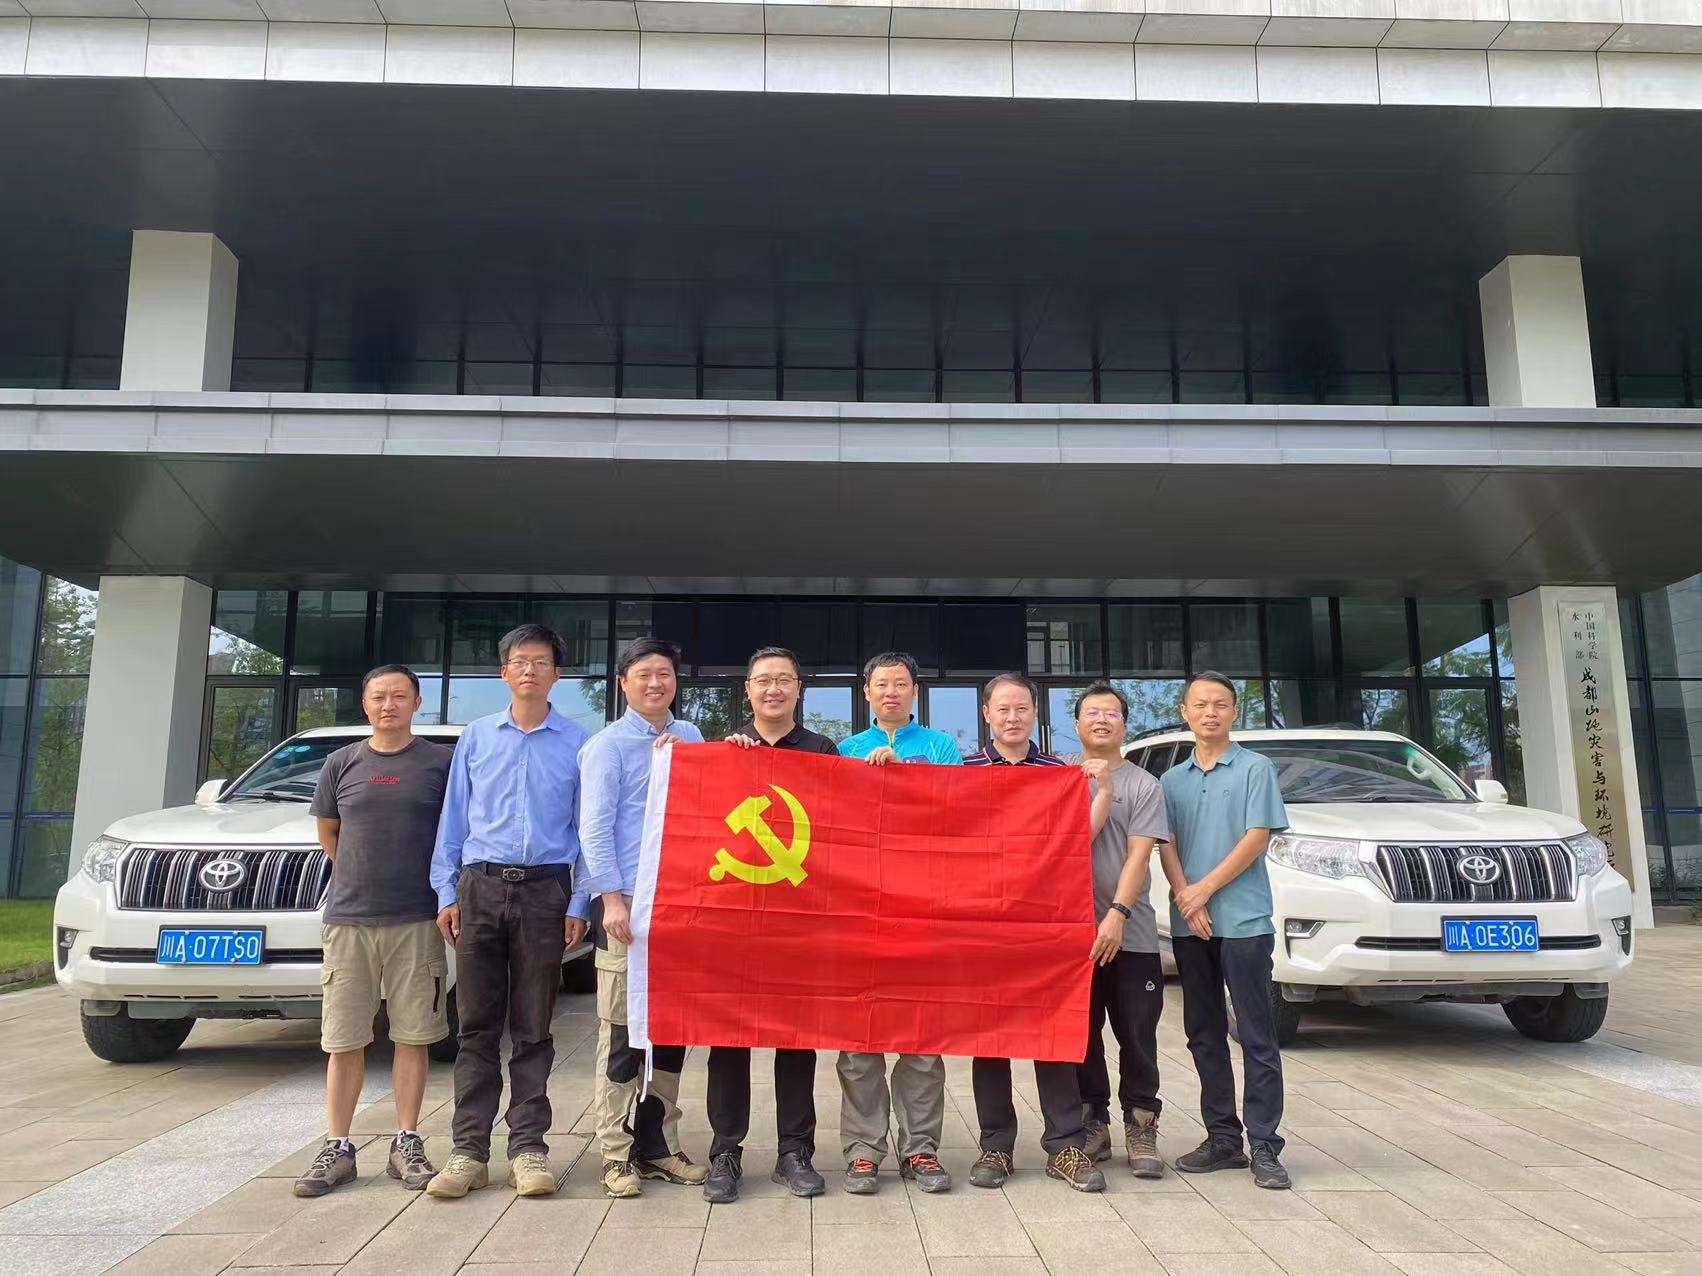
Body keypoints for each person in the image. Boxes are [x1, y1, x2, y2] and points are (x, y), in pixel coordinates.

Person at [424, 625, 591, 1200]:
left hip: (546, 890)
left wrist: (578, 900)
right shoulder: (476, 737)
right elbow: (453, 819)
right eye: (519, 661)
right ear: (504, 672)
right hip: (480, 887)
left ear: (556, 674)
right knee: (475, 1024)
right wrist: (446, 892)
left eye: (540, 662)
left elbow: (584, 829)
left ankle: (528, 1148)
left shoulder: (578, 742)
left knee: (533, 1025)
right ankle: (468, 1150)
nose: (529, 671)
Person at [294, 664, 452, 1198]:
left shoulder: (440, 763)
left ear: (417, 703)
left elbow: (453, 833)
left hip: (416, 918)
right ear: (365, 704)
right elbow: (329, 833)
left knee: (413, 1034)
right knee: (344, 1038)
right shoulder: (341, 763)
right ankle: (337, 1146)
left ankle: (407, 1141)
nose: (389, 705)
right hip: (349, 920)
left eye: (399, 696)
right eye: (379, 696)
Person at [701, 646, 839, 1205]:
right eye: (763, 680)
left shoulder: (823, 750)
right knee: (728, 1038)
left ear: (799, 689)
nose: (774, 689)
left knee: (795, 1038)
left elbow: (843, 828)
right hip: (735, 917)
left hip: (799, 918)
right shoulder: (725, 751)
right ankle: (725, 1152)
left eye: (784, 680)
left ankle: (795, 1152)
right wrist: (684, 760)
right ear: (748, 690)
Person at [963, 673, 1105, 1194]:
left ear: (1035, 713)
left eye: (1021, 708)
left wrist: (1101, 786)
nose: (1012, 717)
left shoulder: (1058, 774)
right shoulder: (963, 772)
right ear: (986, 715)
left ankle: (1065, 1144)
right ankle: (995, 1146)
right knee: (989, 1038)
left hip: (1045, 924)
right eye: (1002, 709)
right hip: (982, 925)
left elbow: (1081, 837)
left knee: (1052, 1033)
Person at [579, 636, 709, 1200]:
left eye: (665, 674)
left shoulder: (691, 737)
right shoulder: (606, 746)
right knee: (622, 1032)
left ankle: (658, 1145)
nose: (656, 684)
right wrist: (610, 899)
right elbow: (593, 829)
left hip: (680, 906)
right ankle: (615, 1151)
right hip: (628, 906)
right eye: (644, 675)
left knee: (671, 1029)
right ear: (623, 684)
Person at [833, 651, 959, 1195]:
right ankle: (863, 1150)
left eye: (900, 683)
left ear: (914, 691)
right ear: (866, 693)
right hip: (860, 909)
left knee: (921, 1039)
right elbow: (834, 825)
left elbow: (956, 813)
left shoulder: (942, 746)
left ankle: (921, 1149)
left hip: (923, 908)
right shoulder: (844, 751)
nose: (891, 691)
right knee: (859, 1039)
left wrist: (905, 779)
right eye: (881, 684)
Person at [1160, 671, 1292, 1190]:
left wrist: (1203, 890)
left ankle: (1264, 1143)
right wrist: (1185, 896)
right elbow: (1166, 844)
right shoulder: (1172, 780)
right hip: (1190, 924)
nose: (1210, 712)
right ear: (1185, 712)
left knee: (1256, 1033)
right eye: (1200, 704)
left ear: (1235, 712)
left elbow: (1256, 837)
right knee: (1203, 1034)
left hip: (1243, 921)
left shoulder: (1256, 768)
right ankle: (1222, 1138)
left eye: (1220, 704)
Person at [1066, 681, 1171, 1179]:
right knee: (1081, 1035)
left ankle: (1141, 1124)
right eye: (1092, 712)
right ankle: (1094, 1123)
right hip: (1072, 936)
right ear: (1077, 724)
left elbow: (1138, 856)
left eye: (1111, 712)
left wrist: (1118, 913)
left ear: (1124, 724)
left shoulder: (1144, 785)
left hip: (1132, 934)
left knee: (1137, 1034)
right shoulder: (1059, 775)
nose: (1101, 720)